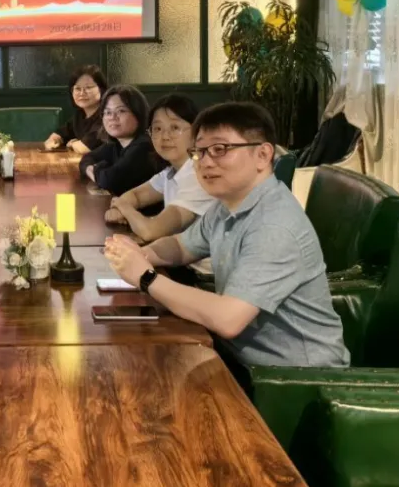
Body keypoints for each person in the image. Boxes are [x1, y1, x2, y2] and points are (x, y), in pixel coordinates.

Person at [103, 102, 349, 369]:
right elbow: (182, 246)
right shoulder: (228, 204)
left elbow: (228, 319)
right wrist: (141, 254)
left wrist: (146, 277)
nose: (206, 162)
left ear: (263, 155)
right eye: (200, 152)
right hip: (238, 356)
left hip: (293, 378)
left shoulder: (274, 226)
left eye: (220, 149)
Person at [105, 94, 215, 241]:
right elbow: (136, 196)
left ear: (196, 132)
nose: (165, 136)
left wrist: (122, 207)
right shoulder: (171, 171)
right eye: (157, 128)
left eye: (175, 128)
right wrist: (119, 207)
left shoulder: (198, 176)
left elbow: (151, 231)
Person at [78, 84, 164, 196]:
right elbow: (86, 159)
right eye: (108, 112)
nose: (112, 117)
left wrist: (97, 168)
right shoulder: (117, 144)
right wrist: (97, 170)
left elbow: (109, 180)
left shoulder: (144, 146)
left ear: (138, 113)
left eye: (121, 111)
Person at [43, 65, 107, 153]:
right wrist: (53, 140)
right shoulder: (80, 115)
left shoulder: (108, 115)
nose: (82, 93)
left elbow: (85, 148)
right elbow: (61, 133)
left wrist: (73, 144)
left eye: (88, 87)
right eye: (77, 88)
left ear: (101, 89)